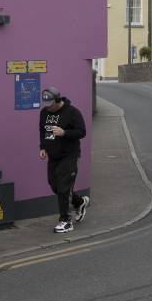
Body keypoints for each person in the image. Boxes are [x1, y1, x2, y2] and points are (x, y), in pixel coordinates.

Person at [39, 86, 90, 233]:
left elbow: (82, 132)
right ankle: (80, 202)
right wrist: (42, 147)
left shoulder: (72, 112)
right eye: (45, 104)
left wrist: (64, 132)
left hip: (69, 155)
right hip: (53, 155)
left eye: (50, 104)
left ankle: (66, 221)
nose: (48, 107)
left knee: (64, 187)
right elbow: (42, 130)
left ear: (58, 100)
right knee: (54, 186)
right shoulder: (44, 113)